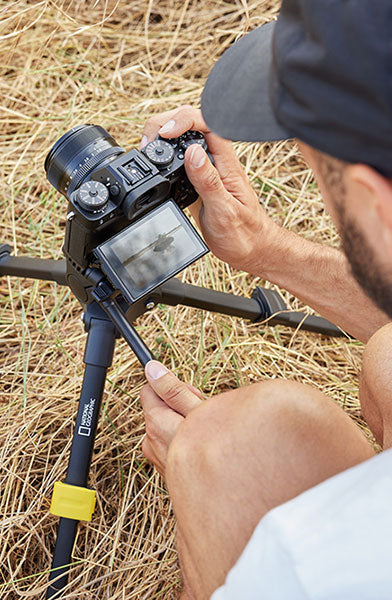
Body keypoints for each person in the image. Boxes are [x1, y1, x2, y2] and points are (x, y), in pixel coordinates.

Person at [137, 1, 392, 598]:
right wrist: (264, 248)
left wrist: (205, 472)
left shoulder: (311, 568)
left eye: (319, 177)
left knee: (224, 451)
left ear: (377, 208)